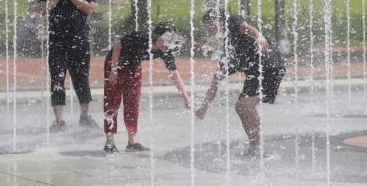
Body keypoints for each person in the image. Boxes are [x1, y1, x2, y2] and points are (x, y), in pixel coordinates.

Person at [195, 9, 286, 158]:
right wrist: (203, 108)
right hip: (256, 72)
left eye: (208, 25)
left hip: (270, 66)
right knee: (241, 107)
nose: (208, 29)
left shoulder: (231, 21)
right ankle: (255, 148)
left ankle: (259, 149)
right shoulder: (230, 49)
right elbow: (215, 81)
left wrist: (258, 36)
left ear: (215, 21)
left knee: (245, 105)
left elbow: (246, 27)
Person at [103, 22, 193, 154]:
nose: (168, 42)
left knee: (133, 102)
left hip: (133, 67)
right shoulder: (140, 37)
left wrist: (186, 98)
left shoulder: (165, 50)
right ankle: (109, 142)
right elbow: (118, 45)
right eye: (166, 38)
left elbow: (174, 73)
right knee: (112, 101)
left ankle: (132, 141)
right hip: (115, 64)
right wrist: (114, 70)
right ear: (155, 35)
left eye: (171, 39)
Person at [37, 0, 99, 133]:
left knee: (81, 77)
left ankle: (85, 116)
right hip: (56, 39)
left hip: (79, 38)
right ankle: (59, 120)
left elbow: (89, 9)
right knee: (57, 77)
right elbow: (43, 9)